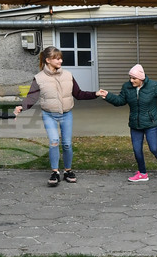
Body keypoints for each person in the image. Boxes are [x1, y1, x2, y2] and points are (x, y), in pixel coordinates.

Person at [14, 46, 102, 187]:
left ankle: (68, 171)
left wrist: (95, 94)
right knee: (54, 141)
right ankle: (55, 172)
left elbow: (78, 94)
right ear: (48, 60)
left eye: (60, 58)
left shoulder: (68, 75)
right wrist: (21, 107)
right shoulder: (39, 78)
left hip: (67, 114)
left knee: (67, 144)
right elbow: (31, 98)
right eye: (57, 58)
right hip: (49, 115)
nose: (60, 60)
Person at [100, 64, 157, 183]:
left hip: (151, 124)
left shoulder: (153, 86)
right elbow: (120, 101)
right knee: (137, 150)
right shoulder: (127, 87)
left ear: (141, 78)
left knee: (154, 149)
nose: (131, 80)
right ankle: (142, 173)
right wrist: (108, 95)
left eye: (134, 78)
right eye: (130, 78)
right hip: (135, 124)